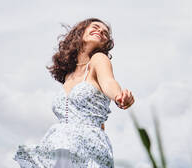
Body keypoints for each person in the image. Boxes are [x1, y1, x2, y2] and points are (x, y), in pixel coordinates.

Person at [14, 17, 135, 168]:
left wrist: (119, 96)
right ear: (80, 32)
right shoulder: (68, 75)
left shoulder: (99, 59)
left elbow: (108, 82)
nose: (101, 32)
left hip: (84, 146)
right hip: (58, 145)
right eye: (96, 27)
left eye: (105, 33)